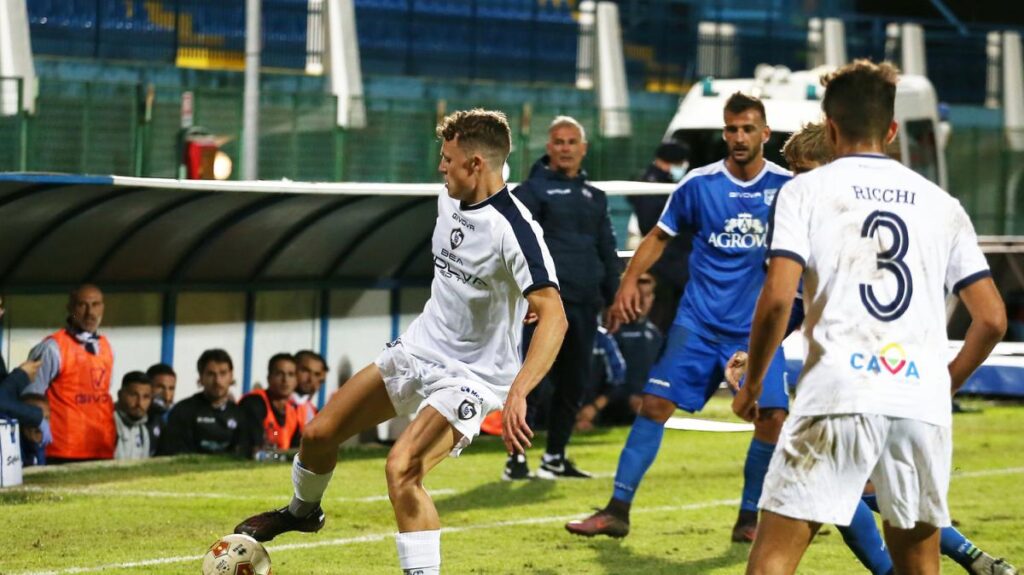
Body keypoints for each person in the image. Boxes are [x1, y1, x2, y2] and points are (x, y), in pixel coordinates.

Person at [233, 109, 566, 575]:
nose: (440, 166)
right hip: (420, 349)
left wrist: (519, 391)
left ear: (475, 164)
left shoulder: (513, 228)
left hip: (472, 377)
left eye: (448, 158)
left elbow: (555, 316)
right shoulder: (452, 196)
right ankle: (302, 512)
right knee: (318, 434)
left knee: (402, 469)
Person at [734, 60, 1007, 575]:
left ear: (831, 128)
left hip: (836, 393)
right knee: (919, 567)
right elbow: (991, 318)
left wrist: (752, 386)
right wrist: (943, 384)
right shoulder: (942, 204)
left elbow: (776, 298)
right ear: (892, 130)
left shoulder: (804, 191)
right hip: (917, 397)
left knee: (772, 561)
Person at [566, 92, 792, 541]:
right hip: (699, 323)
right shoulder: (698, 184)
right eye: (732, 129)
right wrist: (629, 281)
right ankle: (617, 510)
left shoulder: (788, 188)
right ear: (724, 133)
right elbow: (658, 236)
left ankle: (748, 519)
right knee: (654, 405)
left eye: (748, 129)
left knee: (771, 418)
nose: (739, 137)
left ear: (765, 134)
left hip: (755, 331)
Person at [507, 115, 621, 480]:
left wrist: (614, 297)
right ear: (548, 148)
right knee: (533, 382)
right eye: (559, 142)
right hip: (546, 305)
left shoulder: (595, 197)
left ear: (583, 148)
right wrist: (524, 295)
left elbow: (607, 249)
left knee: (574, 383)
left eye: (572, 142)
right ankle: (516, 459)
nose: (566, 148)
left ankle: (554, 456)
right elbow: (516, 247)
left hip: (586, 304)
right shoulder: (531, 192)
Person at [22, 284, 116, 463]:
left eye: (96, 305)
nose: (90, 312)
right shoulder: (52, 348)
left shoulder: (106, 347)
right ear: (71, 308)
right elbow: (30, 398)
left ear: (103, 307)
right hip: (61, 451)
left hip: (101, 449)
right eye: (82, 305)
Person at [576, 273, 662, 430]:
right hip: (607, 406)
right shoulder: (610, 332)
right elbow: (612, 378)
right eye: (639, 296)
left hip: (640, 406)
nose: (642, 302)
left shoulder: (655, 335)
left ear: (653, 298)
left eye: (647, 296)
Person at [629, 141, 693, 334]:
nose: (683, 167)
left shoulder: (663, 182)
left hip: (673, 261)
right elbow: (650, 224)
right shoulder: (652, 186)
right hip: (666, 262)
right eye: (680, 163)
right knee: (663, 317)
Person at [159, 349, 246, 456]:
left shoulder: (240, 414)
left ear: (231, 376)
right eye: (211, 374)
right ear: (201, 377)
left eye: (223, 373)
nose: (217, 381)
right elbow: (176, 456)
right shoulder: (183, 411)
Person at [240, 353, 302, 453]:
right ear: (269, 377)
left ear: (296, 381)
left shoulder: (293, 412)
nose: (285, 380)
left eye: (291, 374)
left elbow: (297, 450)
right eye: (279, 374)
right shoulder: (254, 402)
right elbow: (255, 449)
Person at [113, 371, 155, 460]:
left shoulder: (143, 431)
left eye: (146, 397)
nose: (139, 403)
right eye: (133, 395)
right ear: (120, 395)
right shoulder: (107, 424)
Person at [293, 350, 328, 425]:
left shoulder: (315, 414)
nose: (310, 379)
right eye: (305, 371)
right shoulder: (272, 404)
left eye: (317, 374)